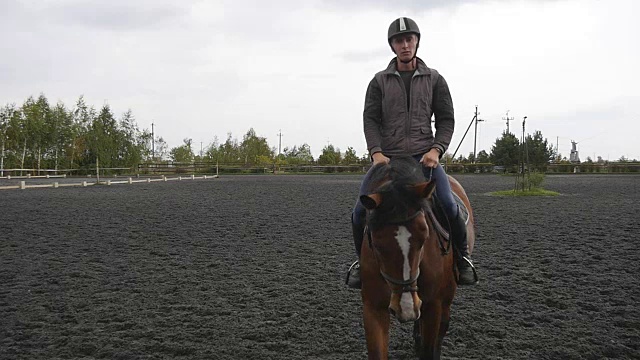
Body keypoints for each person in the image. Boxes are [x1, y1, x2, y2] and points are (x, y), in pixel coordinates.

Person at [345, 17, 478, 288]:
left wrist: (436, 150)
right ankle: (361, 262)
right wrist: (376, 152)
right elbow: (370, 119)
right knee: (359, 212)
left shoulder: (435, 79)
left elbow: (446, 120)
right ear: (392, 46)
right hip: (388, 161)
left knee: (450, 206)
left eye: (409, 39)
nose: (405, 45)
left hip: (423, 158)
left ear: (416, 42)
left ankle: (462, 258)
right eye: (399, 41)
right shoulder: (378, 82)